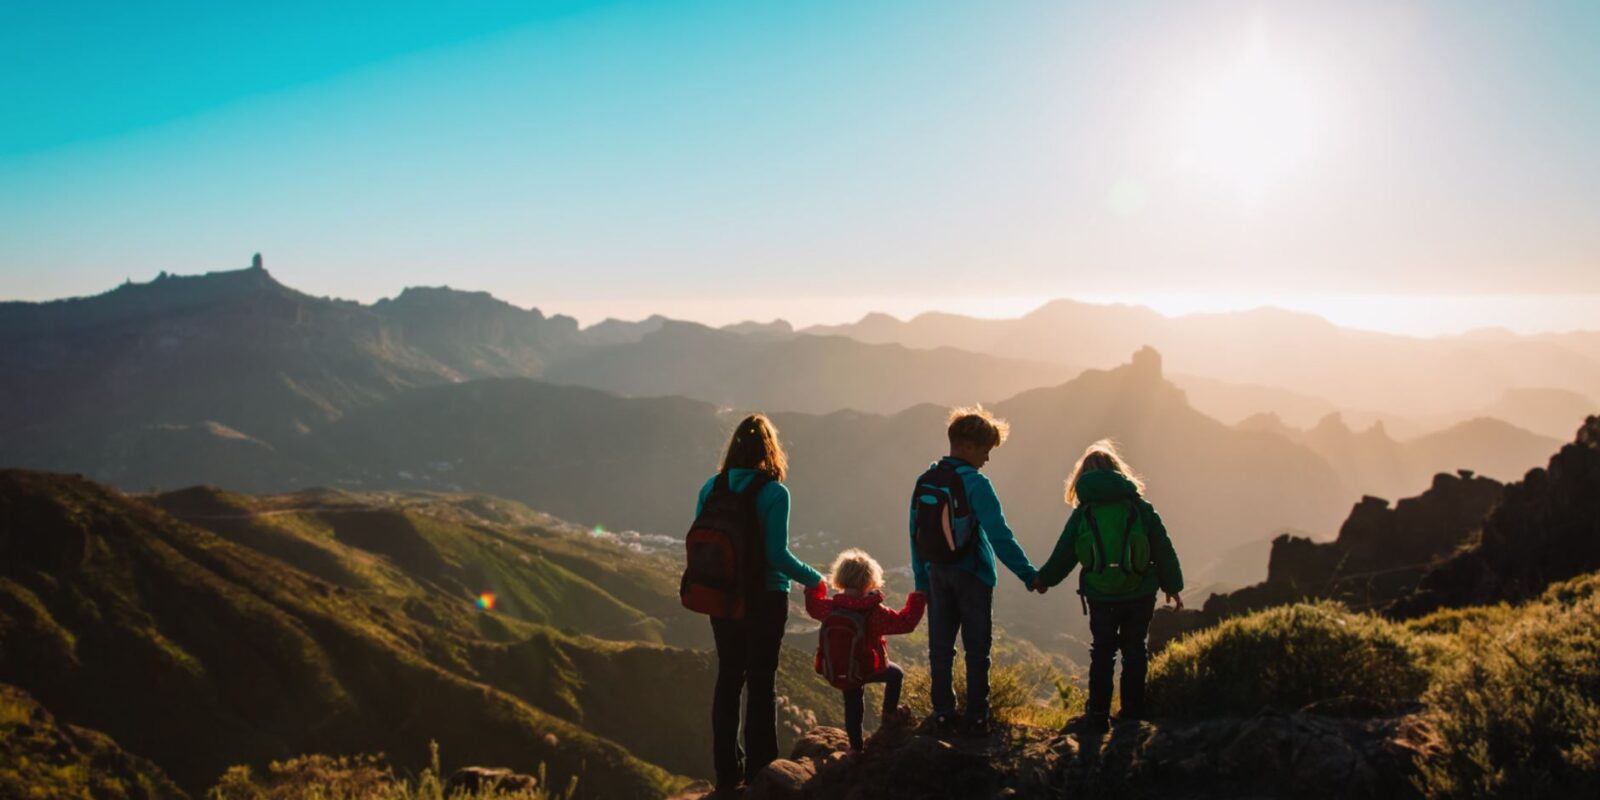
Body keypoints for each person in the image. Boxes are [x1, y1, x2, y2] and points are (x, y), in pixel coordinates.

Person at [699, 414, 825, 794]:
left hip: (721, 598)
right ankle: (760, 773)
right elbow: (776, 554)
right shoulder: (773, 493)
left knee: (728, 679)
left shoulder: (712, 487)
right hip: (765, 598)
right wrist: (814, 578)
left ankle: (726, 772)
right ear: (771, 450)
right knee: (762, 682)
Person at [1032, 440, 1184, 734]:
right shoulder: (1139, 507)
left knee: (1102, 653)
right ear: (1118, 471)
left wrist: (1043, 580)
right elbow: (1162, 547)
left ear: (1082, 477)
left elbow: (1065, 553)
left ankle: (1099, 716)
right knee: (1135, 651)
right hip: (1139, 593)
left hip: (1101, 595)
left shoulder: (1084, 513)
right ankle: (1132, 715)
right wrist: (1172, 586)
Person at [909, 405, 1040, 736]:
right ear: (967, 445)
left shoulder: (926, 480)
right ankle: (978, 717)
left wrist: (921, 580)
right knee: (977, 649)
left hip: (936, 573)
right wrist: (1028, 574)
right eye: (985, 450)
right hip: (973, 575)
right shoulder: (977, 484)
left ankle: (942, 713)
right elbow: (999, 535)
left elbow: (915, 533)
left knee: (940, 647)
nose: (987, 458)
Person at [805, 548, 926, 753]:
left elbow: (812, 606)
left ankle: (855, 748)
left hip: (843, 667)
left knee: (853, 703)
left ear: (840, 578)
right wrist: (918, 598)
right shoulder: (874, 612)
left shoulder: (831, 608)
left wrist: (815, 586)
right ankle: (889, 714)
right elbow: (905, 623)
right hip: (870, 667)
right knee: (896, 674)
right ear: (870, 580)